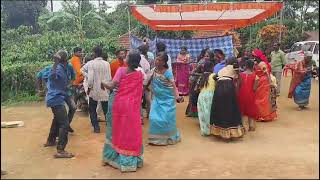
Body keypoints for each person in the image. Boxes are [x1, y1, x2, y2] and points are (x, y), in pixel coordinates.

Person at [101, 50, 144, 172]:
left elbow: (111, 86)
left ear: (129, 60)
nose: (125, 56)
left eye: (127, 56)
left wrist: (102, 82)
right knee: (130, 131)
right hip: (133, 108)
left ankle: (113, 157)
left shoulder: (121, 71)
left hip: (120, 106)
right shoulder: (139, 74)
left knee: (116, 131)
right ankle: (131, 160)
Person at [44, 50, 74, 158]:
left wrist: (67, 86)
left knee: (57, 119)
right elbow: (51, 76)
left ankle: (51, 140)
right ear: (65, 60)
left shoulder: (65, 67)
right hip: (55, 99)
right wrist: (55, 63)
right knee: (64, 124)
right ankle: (61, 150)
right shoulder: (58, 68)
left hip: (57, 97)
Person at [148, 52, 182, 145]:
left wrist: (177, 97)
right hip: (157, 99)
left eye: (159, 60)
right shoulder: (153, 71)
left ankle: (168, 138)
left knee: (166, 119)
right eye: (156, 59)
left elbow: (174, 86)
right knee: (153, 118)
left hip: (168, 100)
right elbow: (147, 82)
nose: (156, 61)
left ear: (163, 62)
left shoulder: (168, 73)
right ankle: (155, 140)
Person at [37, 58, 76, 133]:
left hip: (66, 92)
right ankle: (62, 128)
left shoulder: (69, 66)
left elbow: (73, 78)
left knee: (73, 108)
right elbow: (39, 75)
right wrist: (40, 89)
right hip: (56, 94)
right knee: (58, 114)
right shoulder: (50, 68)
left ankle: (66, 125)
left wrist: (69, 85)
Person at [210, 58, 244, 140]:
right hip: (228, 86)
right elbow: (239, 80)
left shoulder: (222, 69)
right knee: (230, 108)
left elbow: (214, 77)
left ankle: (219, 131)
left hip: (219, 87)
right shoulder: (234, 68)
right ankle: (231, 132)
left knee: (220, 108)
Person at [81, 46, 111, 133]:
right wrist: (106, 86)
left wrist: (89, 87)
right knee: (106, 109)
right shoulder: (107, 63)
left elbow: (87, 76)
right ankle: (109, 126)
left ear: (94, 53)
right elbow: (109, 77)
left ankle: (96, 127)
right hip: (104, 88)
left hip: (94, 88)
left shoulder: (91, 63)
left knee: (92, 108)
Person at [186, 51, 212, 117]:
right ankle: (192, 112)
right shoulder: (201, 62)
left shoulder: (212, 63)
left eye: (208, 56)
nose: (206, 57)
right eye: (205, 56)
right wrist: (203, 74)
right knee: (194, 96)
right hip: (198, 80)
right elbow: (193, 72)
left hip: (208, 81)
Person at [254, 55, 277, 122]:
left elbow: (266, 73)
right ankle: (261, 115)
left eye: (255, 56)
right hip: (259, 82)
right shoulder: (257, 64)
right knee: (260, 99)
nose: (254, 58)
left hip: (264, 83)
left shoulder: (262, 64)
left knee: (264, 99)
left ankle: (265, 116)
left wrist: (270, 83)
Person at [237, 59, 257, 132]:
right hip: (251, 95)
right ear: (253, 66)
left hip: (241, 94)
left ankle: (244, 127)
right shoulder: (255, 76)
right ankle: (251, 126)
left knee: (242, 111)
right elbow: (254, 88)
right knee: (251, 111)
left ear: (245, 66)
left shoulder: (240, 75)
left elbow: (238, 86)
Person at [197, 61, 215, 136]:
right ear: (212, 68)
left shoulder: (201, 76)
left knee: (202, 114)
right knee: (210, 113)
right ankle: (211, 130)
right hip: (210, 95)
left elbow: (197, 88)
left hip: (201, 96)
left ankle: (205, 131)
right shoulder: (214, 75)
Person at [138, 45, 151, 121]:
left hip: (140, 82)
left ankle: (141, 117)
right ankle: (149, 114)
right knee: (148, 99)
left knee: (139, 100)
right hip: (147, 81)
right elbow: (148, 72)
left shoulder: (139, 58)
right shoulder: (147, 60)